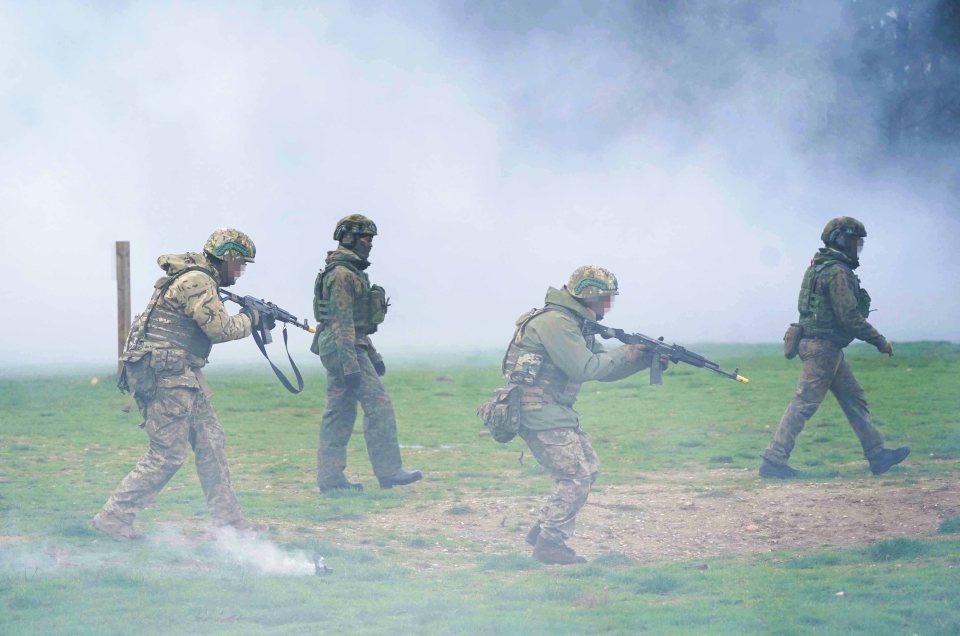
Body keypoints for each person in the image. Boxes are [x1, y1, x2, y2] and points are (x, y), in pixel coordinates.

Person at [93, 228, 267, 540]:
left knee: (211, 442)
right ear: (226, 258)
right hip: (166, 374)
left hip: (178, 373)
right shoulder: (196, 281)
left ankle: (228, 522)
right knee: (167, 454)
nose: (240, 272)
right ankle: (114, 516)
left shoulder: (200, 279)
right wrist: (251, 319)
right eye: (239, 264)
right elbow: (220, 329)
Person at [504, 266, 659, 565]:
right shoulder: (555, 323)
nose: (609, 306)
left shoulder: (572, 323)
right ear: (588, 296)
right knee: (575, 476)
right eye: (605, 298)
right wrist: (627, 353)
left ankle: (546, 527)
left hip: (554, 410)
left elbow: (602, 366)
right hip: (537, 409)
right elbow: (585, 368)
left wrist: (642, 359)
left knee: (589, 468)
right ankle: (549, 544)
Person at [760, 217, 910, 479]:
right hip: (823, 348)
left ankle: (877, 455)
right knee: (804, 402)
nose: (857, 247)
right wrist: (880, 342)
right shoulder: (838, 272)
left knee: (854, 399)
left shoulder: (819, 266)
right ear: (841, 239)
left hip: (823, 346)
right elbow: (849, 317)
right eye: (855, 241)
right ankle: (774, 459)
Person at [310, 214, 421, 492]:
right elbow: (342, 323)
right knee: (379, 405)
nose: (370, 244)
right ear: (348, 238)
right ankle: (389, 471)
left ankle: (331, 480)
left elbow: (354, 326)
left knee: (339, 413)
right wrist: (351, 366)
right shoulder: (342, 274)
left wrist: (372, 356)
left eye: (371, 238)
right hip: (342, 347)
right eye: (365, 238)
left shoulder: (349, 271)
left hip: (343, 346)